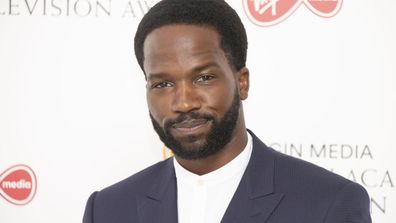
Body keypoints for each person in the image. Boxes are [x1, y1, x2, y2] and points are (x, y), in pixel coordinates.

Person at [83, 0, 372, 222]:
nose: (184, 103)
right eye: (163, 84)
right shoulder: (108, 209)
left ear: (241, 81)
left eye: (203, 78)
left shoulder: (329, 204)